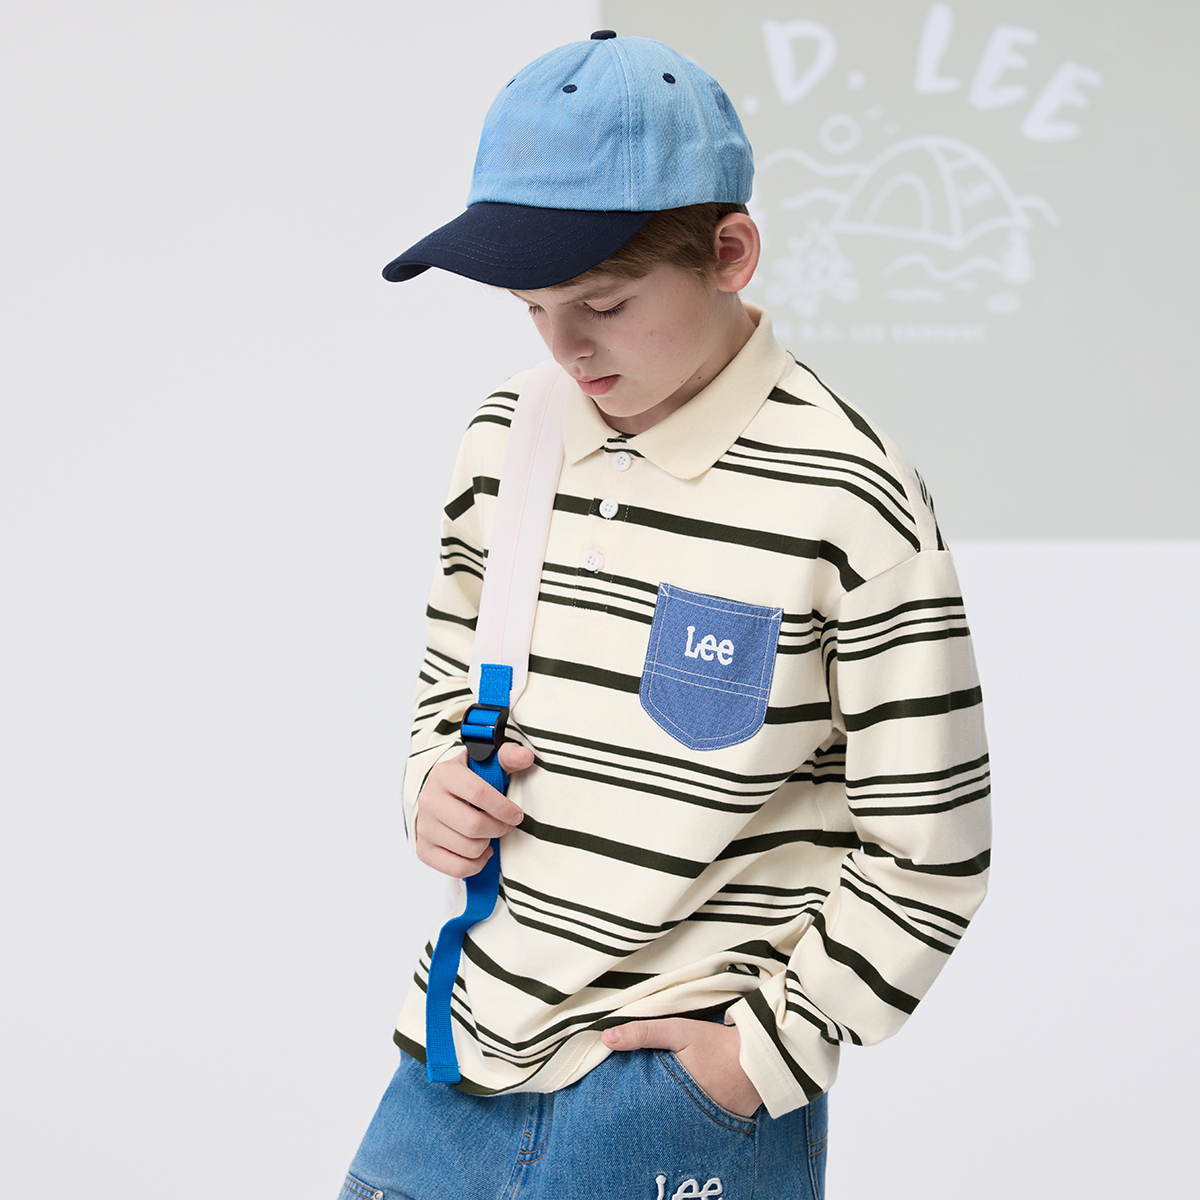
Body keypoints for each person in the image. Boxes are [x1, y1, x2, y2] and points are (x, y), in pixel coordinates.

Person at [339, 30, 990, 1200]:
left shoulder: (849, 495)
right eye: (533, 306)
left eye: (603, 301)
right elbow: (449, 678)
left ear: (729, 254)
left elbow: (932, 841)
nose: (564, 344)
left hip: (674, 1099)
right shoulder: (507, 440)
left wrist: (766, 1054)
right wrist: (432, 783)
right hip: (454, 1055)